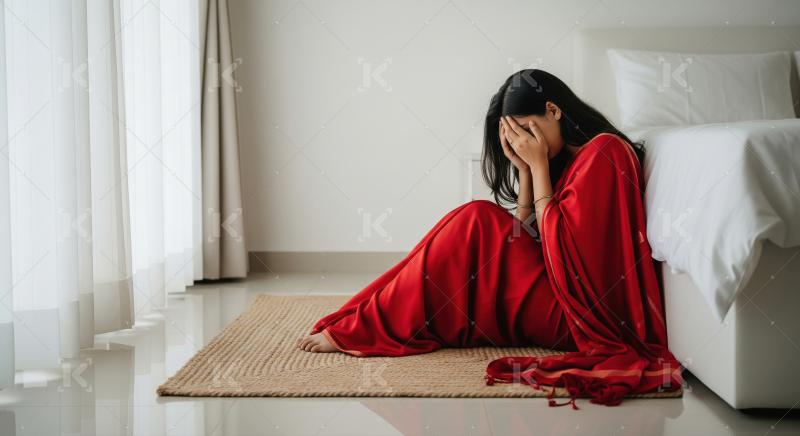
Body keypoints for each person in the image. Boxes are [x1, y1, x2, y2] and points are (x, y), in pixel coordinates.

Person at [297, 69, 682, 407]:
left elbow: (570, 259)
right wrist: (529, 173)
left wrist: (536, 165)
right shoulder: (565, 162)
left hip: (578, 313)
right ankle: (368, 318)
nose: (523, 144)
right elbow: (524, 235)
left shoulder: (605, 152)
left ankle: (368, 326)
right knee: (477, 218)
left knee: (476, 219)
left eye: (526, 131)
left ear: (553, 111)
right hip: (555, 291)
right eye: (513, 138)